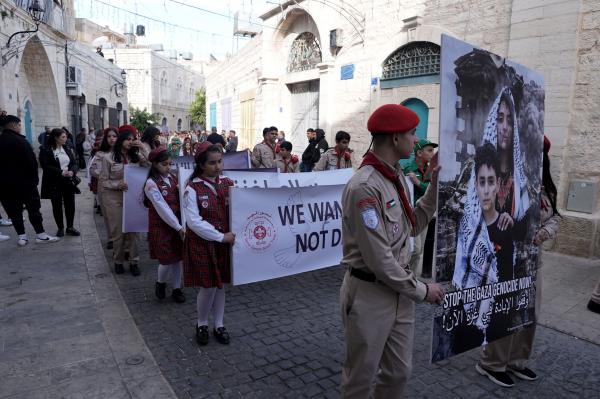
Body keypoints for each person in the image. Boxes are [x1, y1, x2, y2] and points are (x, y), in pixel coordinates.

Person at [339, 104, 443, 398]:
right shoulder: (365, 187)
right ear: (396, 138)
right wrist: (423, 290)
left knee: (398, 373)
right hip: (370, 294)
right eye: (412, 134)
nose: (417, 141)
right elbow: (379, 260)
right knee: (360, 376)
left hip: (399, 291)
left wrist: (434, 184)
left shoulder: (394, 176)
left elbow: (412, 226)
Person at [476, 136, 560, 387]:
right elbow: (490, 214)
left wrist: (546, 232)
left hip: (534, 263)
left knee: (529, 313)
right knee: (504, 312)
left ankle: (517, 360)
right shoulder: (507, 182)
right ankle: (491, 362)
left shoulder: (545, 187)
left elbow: (555, 218)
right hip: (507, 261)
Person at [182, 142, 236, 346]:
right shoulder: (192, 188)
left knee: (220, 285)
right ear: (201, 164)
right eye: (212, 163)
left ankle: (219, 324)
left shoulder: (228, 183)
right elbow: (193, 222)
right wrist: (220, 237)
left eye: (220, 161)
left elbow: (239, 209)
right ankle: (202, 323)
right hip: (203, 243)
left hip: (224, 243)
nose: (218, 166)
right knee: (208, 287)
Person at [0, 115, 59, 246]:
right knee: (33, 210)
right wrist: (34, 181)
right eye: (19, 125)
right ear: (14, 125)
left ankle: (22, 237)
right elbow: (32, 163)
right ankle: (41, 235)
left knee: (14, 212)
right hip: (25, 184)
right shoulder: (21, 142)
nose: (20, 127)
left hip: (5, 186)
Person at [99, 125, 149, 275]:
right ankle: (118, 261)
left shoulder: (136, 156)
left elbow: (151, 165)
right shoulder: (108, 158)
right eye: (127, 139)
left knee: (133, 231)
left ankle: (134, 261)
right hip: (114, 198)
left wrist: (143, 149)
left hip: (133, 198)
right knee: (118, 233)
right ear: (121, 140)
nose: (130, 142)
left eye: (132, 139)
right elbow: (103, 181)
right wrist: (117, 184)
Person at [143, 146, 186, 303]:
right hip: (161, 226)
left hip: (177, 225)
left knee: (178, 258)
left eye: (170, 164)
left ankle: (176, 288)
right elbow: (162, 208)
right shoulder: (151, 183)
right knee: (166, 260)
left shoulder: (173, 179)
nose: (168, 167)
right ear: (155, 164)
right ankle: (160, 283)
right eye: (164, 164)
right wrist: (178, 227)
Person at [403, 138, 438, 277]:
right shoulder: (408, 168)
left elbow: (430, 191)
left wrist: (418, 182)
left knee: (420, 250)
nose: (432, 153)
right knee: (415, 249)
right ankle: (404, 276)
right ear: (419, 153)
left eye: (433, 150)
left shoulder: (431, 170)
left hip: (425, 214)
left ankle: (412, 278)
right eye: (429, 150)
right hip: (412, 213)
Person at [39, 128, 81, 237]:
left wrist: (72, 171)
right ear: (56, 138)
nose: (66, 139)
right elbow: (45, 166)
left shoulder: (67, 147)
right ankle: (60, 228)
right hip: (54, 182)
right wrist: (61, 172)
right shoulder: (45, 149)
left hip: (68, 181)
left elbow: (74, 162)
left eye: (66, 136)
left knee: (70, 205)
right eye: (63, 137)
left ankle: (70, 227)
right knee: (56, 205)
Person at [90, 127, 118, 249]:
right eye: (109, 136)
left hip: (120, 188)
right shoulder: (100, 153)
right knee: (107, 215)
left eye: (114, 136)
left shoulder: (122, 153)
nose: (112, 139)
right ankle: (111, 238)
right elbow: (92, 170)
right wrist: (105, 175)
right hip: (105, 188)